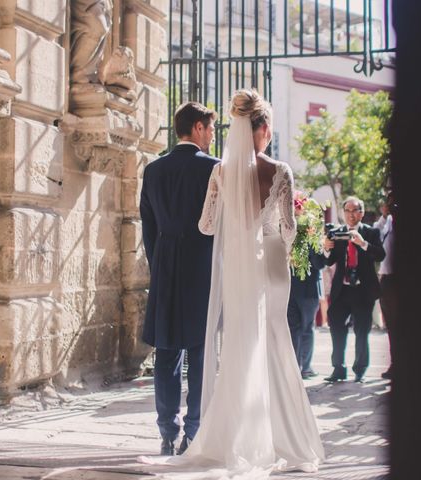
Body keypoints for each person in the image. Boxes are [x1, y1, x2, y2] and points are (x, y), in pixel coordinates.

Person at [138, 89, 324, 477]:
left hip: (228, 272)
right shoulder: (279, 171)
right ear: (263, 127)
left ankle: (203, 434)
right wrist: (286, 230)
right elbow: (287, 231)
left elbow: (205, 225)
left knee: (228, 348)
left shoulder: (216, 172)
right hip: (270, 267)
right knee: (272, 343)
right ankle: (275, 435)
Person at [140, 102, 219, 456]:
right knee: (201, 353)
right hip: (202, 268)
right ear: (199, 127)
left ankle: (166, 432)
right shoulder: (214, 169)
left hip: (166, 267)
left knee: (167, 353)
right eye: (212, 129)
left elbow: (148, 225)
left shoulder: (153, 170)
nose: (213, 136)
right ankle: (194, 431)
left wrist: (158, 264)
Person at [323, 197, 386, 383]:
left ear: (362, 213)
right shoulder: (337, 233)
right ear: (343, 213)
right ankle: (338, 369)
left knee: (362, 331)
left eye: (355, 210)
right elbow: (329, 260)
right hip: (341, 290)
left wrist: (363, 243)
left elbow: (381, 255)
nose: (351, 214)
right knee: (336, 329)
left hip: (362, 290)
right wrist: (326, 248)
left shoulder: (371, 232)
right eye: (347, 211)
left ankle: (359, 370)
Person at [287, 250, 325, 379]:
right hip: (291, 290)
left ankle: (304, 367)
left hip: (309, 291)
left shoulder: (312, 235)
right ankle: (298, 367)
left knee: (305, 329)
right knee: (296, 330)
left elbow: (319, 263)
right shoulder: (288, 236)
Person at [373, 193, 396, 380]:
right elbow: (376, 231)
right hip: (386, 278)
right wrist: (384, 215)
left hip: (397, 279)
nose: (388, 205)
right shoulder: (388, 220)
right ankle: (395, 363)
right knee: (391, 325)